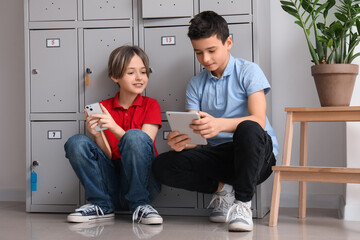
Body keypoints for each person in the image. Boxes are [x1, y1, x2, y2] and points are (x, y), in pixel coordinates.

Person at [152, 11, 279, 232]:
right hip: (220, 157)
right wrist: (182, 141)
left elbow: (258, 120)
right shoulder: (195, 84)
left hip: (257, 156)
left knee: (248, 127)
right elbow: (196, 136)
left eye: (211, 50)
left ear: (228, 42)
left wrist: (220, 124)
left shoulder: (249, 71)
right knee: (162, 165)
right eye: (199, 53)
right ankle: (224, 190)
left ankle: (242, 204)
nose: (206, 59)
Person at [65, 45, 163, 225]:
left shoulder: (151, 105)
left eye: (143, 72)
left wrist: (115, 127)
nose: (139, 78)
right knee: (76, 142)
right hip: (111, 186)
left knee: (135, 137)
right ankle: (101, 205)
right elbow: (108, 156)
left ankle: (140, 205)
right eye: (131, 73)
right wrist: (97, 134)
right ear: (115, 77)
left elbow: (144, 144)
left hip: (142, 183)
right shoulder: (104, 107)